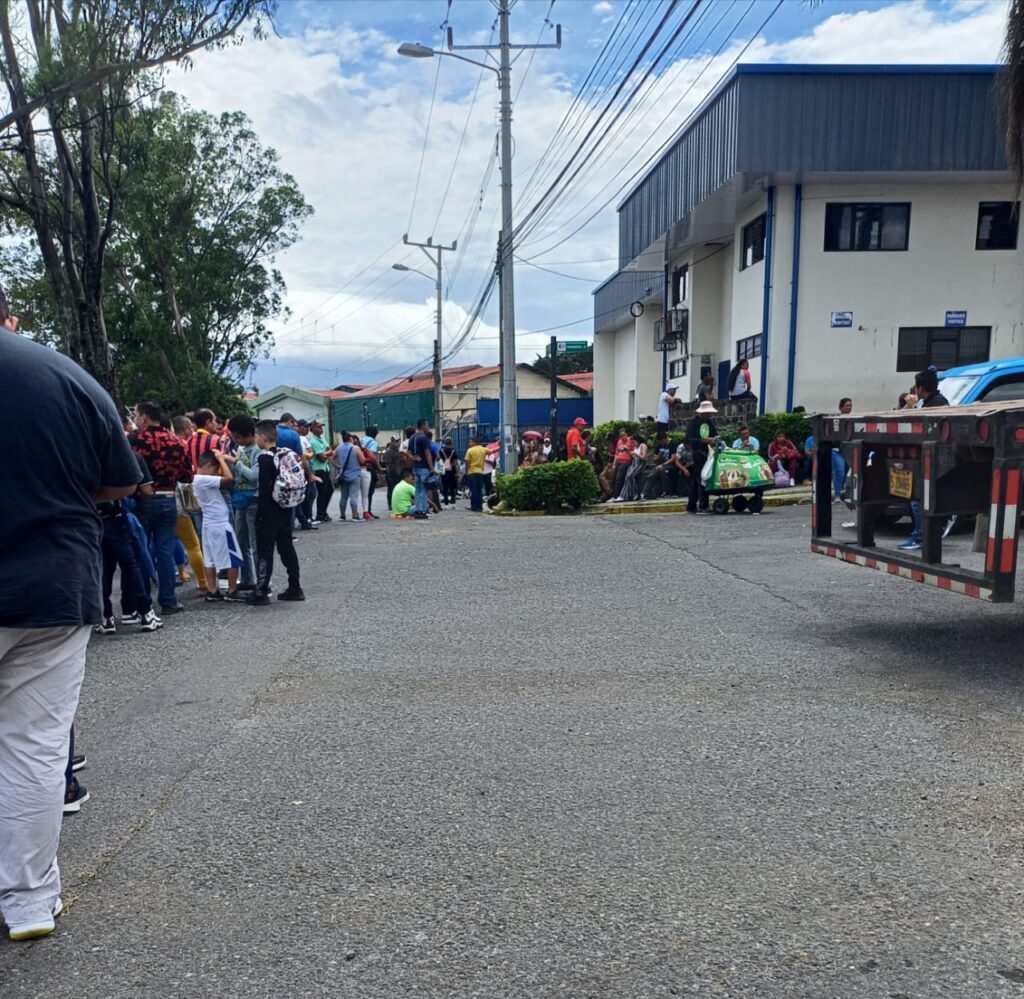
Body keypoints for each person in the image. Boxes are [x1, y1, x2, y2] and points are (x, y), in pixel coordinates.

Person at [1, 316, 141, 942]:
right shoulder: (65, 375)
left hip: (50, 582)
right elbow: (119, 480)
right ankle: (29, 902)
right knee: (35, 745)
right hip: (52, 584)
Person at [132, 401, 194, 615]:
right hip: (169, 498)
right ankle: (168, 600)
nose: (136, 420)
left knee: (140, 551)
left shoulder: (136, 441)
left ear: (145, 418)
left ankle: (141, 602)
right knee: (165, 551)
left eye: (137, 416)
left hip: (142, 500)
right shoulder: (177, 443)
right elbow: (187, 476)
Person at [249, 420, 303, 605]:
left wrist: (260, 514)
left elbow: (265, 490)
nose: (255, 439)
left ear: (263, 437)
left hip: (269, 512)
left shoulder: (264, 459)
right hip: (285, 508)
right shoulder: (283, 455)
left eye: (256, 436)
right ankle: (295, 587)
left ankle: (261, 591)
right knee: (286, 547)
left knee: (265, 551)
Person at [899, 370, 950, 552]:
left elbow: (916, 429)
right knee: (919, 498)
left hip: (933, 460)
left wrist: (913, 408)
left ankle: (922, 535)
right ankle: (924, 533)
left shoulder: (936, 405)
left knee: (918, 498)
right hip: (932, 459)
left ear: (920, 388)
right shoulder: (935, 402)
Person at [192, 450, 245, 601]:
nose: (216, 473)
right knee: (233, 558)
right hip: (220, 524)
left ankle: (212, 590)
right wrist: (222, 459)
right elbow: (228, 478)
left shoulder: (196, 479)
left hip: (209, 524)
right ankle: (232, 590)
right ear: (208, 466)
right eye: (215, 469)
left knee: (210, 559)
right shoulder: (204, 479)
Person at [226, 416, 260, 591]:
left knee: (255, 544)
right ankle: (248, 579)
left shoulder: (258, 451)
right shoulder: (241, 448)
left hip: (254, 500)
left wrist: (236, 463)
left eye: (239, 437)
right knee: (241, 542)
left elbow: (254, 477)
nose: (236, 440)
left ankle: (262, 583)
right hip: (240, 499)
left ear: (250, 434)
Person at [686, 400, 718, 513]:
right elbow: (688, 439)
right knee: (702, 479)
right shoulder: (694, 423)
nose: (709, 414)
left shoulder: (709, 422)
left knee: (696, 480)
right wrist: (702, 441)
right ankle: (703, 505)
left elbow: (714, 433)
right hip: (698, 453)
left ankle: (691, 505)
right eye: (707, 412)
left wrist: (715, 439)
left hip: (708, 453)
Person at [334, 431, 366, 523]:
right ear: (350, 438)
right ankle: (355, 515)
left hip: (343, 475)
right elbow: (362, 460)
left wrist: (337, 466)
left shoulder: (339, 448)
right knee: (353, 495)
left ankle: (342, 515)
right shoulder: (355, 448)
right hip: (355, 474)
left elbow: (332, 457)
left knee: (343, 496)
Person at [307, 418, 334, 522]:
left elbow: (329, 451)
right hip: (319, 469)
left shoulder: (322, 439)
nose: (321, 428)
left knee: (329, 490)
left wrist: (325, 453)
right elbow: (321, 458)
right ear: (312, 429)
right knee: (322, 491)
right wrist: (326, 453)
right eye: (318, 427)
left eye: (321, 426)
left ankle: (323, 511)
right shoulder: (313, 441)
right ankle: (320, 513)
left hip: (325, 468)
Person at [409, 418, 434, 520]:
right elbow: (427, 453)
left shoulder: (412, 437)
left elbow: (408, 452)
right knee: (424, 489)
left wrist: (414, 458)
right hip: (424, 467)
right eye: (427, 425)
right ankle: (423, 510)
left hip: (415, 467)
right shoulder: (424, 438)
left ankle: (418, 509)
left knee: (417, 489)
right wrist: (431, 467)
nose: (428, 427)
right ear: (423, 425)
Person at [616, 436, 648, 502]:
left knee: (630, 475)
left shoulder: (643, 445)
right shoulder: (635, 447)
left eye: (634, 442)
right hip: (634, 463)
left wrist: (634, 453)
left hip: (640, 463)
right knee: (627, 476)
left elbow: (644, 457)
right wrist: (627, 451)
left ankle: (632, 493)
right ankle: (625, 495)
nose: (633, 444)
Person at [361, 426, 381, 518]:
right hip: (370, 467)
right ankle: (368, 510)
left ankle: (365, 510)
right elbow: (372, 456)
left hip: (360, 467)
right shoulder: (373, 442)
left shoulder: (361, 440)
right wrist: (378, 467)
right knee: (370, 491)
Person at [464, 436, 487, 512]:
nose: (469, 443)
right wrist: (500, 446)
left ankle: (474, 507)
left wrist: (467, 470)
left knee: (473, 490)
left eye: (470, 442)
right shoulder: (483, 449)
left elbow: (466, 461)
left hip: (472, 472)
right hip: (480, 472)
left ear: (474, 442)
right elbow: (492, 451)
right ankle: (480, 507)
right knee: (479, 490)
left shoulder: (469, 450)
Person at [609, 429, 633, 500]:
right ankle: (614, 495)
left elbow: (633, 451)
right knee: (614, 478)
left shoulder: (630, 441)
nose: (623, 437)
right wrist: (614, 464)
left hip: (625, 462)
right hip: (618, 461)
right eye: (621, 436)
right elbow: (616, 453)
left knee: (619, 478)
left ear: (627, 434)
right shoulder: (619, 441)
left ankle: (616, 496)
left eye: (624, 435)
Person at [383, 436, 402, 510]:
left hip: (398, 473)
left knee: (397, 489)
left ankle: (396, 503)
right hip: (391, 473)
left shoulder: (398, 450)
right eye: (396, 441)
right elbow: (389, 464)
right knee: (391, 489)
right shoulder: (389, 451)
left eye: (398, 441)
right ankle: (390, 504)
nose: (398, 443)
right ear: (392, 442)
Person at [439, 437, 459, 505]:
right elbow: (456, 463)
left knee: (445, 486)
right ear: (451, 443)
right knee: (452, 486)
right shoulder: (453, 451)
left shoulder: (441, 451)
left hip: (444, 471)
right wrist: (457, 473)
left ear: (444, 443)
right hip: (452, 471)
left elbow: (438, 459)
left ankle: (446, 503)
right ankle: (453, 502)